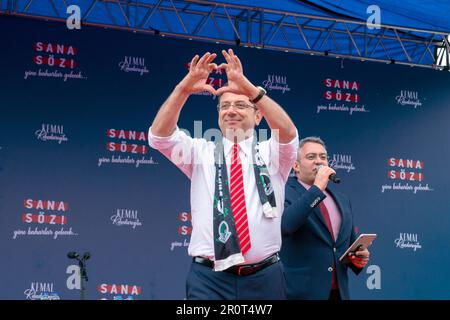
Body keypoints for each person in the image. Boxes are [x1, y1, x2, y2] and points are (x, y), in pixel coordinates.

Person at [148, 49, 298, 300]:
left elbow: (288, 133)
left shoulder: (272, 154)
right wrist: (183, 89)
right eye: (224, 106)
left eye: (241, 105)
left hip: (265, 278)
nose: (231, 111)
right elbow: (160, 136)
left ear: (258, 115)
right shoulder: (200, 152)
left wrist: (249, 89)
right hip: (209, 280)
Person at [280, 137, 370, 300]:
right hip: (300, 293)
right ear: (296, 165)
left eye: (323, 157)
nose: (319, 161)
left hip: (338, 293)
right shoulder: (284, 191)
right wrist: (317, 188)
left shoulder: (342, 199)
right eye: (311, 157)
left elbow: (343, 247)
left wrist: (357, 258)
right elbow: (286, 225)